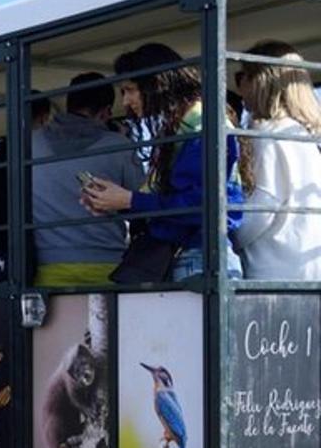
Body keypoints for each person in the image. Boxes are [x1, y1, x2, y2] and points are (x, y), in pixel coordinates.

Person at [80, 43, 246, 282]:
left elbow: (201, 205)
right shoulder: (192, 122)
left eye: (129, 90)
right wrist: (115, 202)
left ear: (155, 85)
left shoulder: (197, 125)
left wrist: (129, 200)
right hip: (196, 258)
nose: (125, 101)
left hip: (197, 260)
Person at [31, 73, 144, 285]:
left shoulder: (30, 145)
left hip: (46, 266)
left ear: (68, 103)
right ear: (106, 112)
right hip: (109, 266)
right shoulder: (120, 146)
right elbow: (142, 203)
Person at [232, 40, 321, 281]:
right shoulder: (303, 135)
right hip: (308, 266)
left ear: (259, 81)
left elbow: (262, 207)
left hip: (272, 272)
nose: (238, 87)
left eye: (240, 77)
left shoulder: (266, 134)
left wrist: (227, 238)